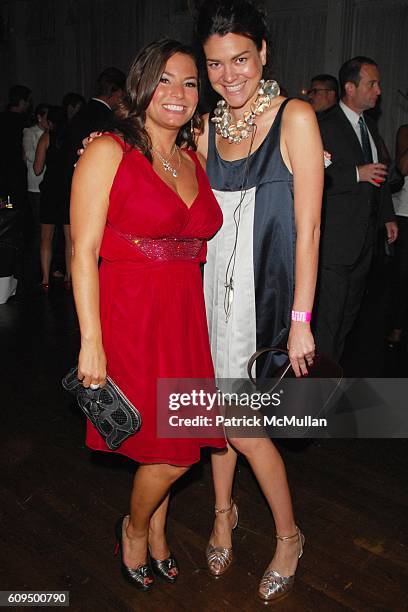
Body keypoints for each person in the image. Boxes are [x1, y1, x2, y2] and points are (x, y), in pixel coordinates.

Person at [70, 39, 226, 591]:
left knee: (174, 440)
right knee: (172, 451)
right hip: (131, 316)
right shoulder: (106, 151)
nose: (178, 93)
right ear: (141, 84)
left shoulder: (194, 157)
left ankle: (157, 533)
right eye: (165, 79)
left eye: (189, 83)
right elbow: (82, 250)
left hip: (185, 314)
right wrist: (92, 343)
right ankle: (134, 529)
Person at [195, 0, 323, 603]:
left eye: (240, 58)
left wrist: (301, 318)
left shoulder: (295, 117)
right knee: (212, 418)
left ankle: (290, 534)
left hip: (263, 301)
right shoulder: (205, 126)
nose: (229, 75)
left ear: (263, 53)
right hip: (204, 298)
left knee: (243, 427)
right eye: (216, 63)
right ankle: (223, 511)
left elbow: (310, 228)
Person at [313, 56, 398, 362]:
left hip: (364, 242)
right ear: (350, 87)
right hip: (335, 243)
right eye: (372, 83)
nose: (378, 90)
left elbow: (381, 174)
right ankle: (315, 386)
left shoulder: (369, 126)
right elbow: (310, 173)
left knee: (347, 319)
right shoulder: (324, 125)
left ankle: (331, 376)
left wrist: (387, 216)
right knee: (328, 321)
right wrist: (355, 174)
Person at [34, 106, 71, 291]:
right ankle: (69, 278)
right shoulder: (73, 138)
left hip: (50, 191)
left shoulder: (46, 138)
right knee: (70, 239)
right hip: (68, 191)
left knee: (46, 238)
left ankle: (45, 279)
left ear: (50, 122)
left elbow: (37, 169)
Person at [387, 124, 408, 348]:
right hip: (406, 212)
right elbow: (403, 167)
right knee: (402, 276)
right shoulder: (405, 131)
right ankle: (396, 326)